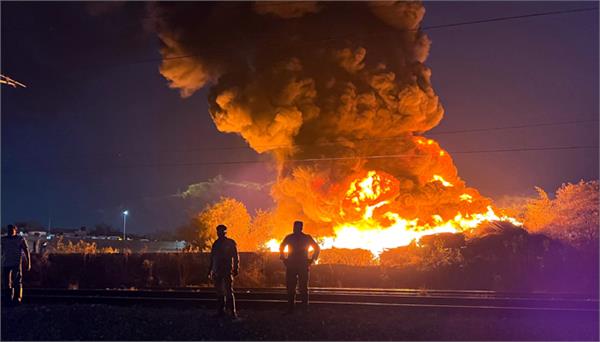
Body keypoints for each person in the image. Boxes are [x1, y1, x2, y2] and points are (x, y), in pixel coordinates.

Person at [279, 220, 320, 313]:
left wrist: (312, 259)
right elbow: (281, 247)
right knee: (292, 287)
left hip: (297, 265)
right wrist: (283, 258)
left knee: (302, 287)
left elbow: (316, 248)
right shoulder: (301, 238)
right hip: (297, 265)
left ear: (301, 228)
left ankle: (300, 308)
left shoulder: (293, 238)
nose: (295, 229)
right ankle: (294, 308)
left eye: (296, 227)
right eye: (294, 227)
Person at [208, 224, 239, 318]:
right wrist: (210, 270)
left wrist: (236, 268)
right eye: (219, 232)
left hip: (225, 270)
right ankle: (225, 312)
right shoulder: (219, 243)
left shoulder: (220, 244)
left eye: (221, 232)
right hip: (220, 270)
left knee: (227, 291)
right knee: (221, 291)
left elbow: (235, 256)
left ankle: (231, 312)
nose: (219, 233)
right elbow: (212, 258)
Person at [1, 224, 31, 305]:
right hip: (6, 262)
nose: (10, 231)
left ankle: (17, 298)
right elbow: (2, 251)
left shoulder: (20, 239)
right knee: (6, 282)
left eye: (12, 230)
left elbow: (26, 250)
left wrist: (29, 262)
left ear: (15, 230)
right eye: (9, 230)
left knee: (17, 280)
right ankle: (8, 297)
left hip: (15, 262)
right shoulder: (3, 239)